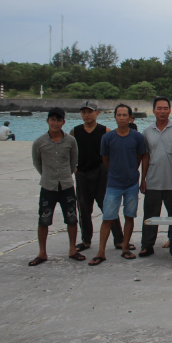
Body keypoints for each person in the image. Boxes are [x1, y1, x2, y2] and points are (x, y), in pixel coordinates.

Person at [89, 104, 146, 266]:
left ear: (130, 118)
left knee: (129, 216)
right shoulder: (107, 138)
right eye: (118, 115)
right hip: (113, 184)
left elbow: (140, 157)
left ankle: (125, 247)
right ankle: (101, 251)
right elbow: (105, 159)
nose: (121, 118)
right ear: (114, 117)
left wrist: (134, 174)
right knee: (107, 217)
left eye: (124, 115)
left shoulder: (137, 137)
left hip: (131, 184)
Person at [29, 107, 83, 266]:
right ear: (48, 121)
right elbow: (37, 162)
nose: (55, 123)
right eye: (53, 119)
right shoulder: (39, 142)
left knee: (72, 218)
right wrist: (47, 175)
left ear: (63, 122)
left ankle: (72, 249)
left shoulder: (70, 141)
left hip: (66, 186)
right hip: (48, 187)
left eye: (59, 120)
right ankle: (42, 252)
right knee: (44, 220)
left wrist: (66, 175)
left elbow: (74, 161)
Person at [70, 101, 125, 253]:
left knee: (108, 206)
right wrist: (73, 168)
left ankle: (119, 239)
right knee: (83, 207)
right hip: (82, 173)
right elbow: (70, 152)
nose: (87, 115)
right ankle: (86, 240)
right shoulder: (75, 131)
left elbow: (114, 152)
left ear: (97, 113)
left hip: (101, 172)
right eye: (84, 112)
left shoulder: (105, 131)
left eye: (90, 112)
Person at [139, 97, 172, 258]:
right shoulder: (146, 131)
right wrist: (143, 178)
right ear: (153, 110)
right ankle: (147, 245)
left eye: (166, 108)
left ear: (170, 110)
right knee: (150, 215)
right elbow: (145, 156)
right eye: (159, 108)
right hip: (153, 180)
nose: (162, 111)